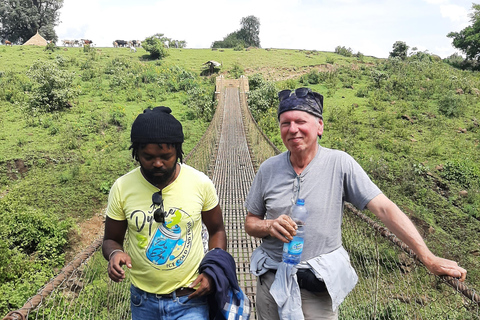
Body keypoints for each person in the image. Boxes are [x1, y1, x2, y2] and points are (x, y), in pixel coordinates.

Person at [244, 88, 467, 320]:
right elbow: (251, 222)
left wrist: (427, 257)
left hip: (316, 285)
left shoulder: (340, 164)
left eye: (301, 121)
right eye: (285, 123)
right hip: (271, 281)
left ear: (319, 126)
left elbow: (384, 208)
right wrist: (269, 226)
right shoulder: (268, 169)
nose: (292, 129)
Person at [102, 106, 227, 320]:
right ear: (136, 153)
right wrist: (114, 254)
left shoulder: (200, 183)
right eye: (148, 156)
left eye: (166, 156)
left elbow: (216, 230)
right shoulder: (122, 188)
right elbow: (111, 239)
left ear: (178, 151)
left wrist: (212, 270)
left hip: (190, 298)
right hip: (143, 301)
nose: (157, 163)